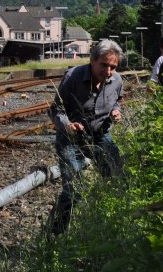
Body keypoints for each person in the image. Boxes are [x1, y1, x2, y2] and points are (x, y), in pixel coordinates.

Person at [47, 39, 125, 235]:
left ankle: (108, 227)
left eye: (113, 67)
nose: (108, 71)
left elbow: (117, 102)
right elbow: (55, 109)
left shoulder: (117, 81)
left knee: (117, 176)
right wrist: (68, 125)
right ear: (92, 60)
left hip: (100, 135)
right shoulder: (73, 77)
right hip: (71, 138)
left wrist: (116, 111)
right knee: (75, 188)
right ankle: (55, 234)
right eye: (104, 65)